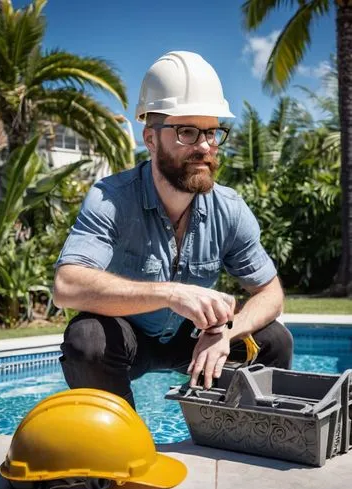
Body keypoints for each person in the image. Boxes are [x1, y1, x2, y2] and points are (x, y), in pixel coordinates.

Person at [53, 51, 293, 409]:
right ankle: (122, 445)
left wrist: (225, 332)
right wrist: (171, 294)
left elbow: (271, 293)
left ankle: (239, 434)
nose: (205, 146)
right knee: (86, 340)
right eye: (187, 131)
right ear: (150, 139)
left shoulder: (229, 209)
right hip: (127, 335)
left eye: (212, 132)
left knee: (274, 339)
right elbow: (67, 286)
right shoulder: (111, 199)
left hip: (195, 338)